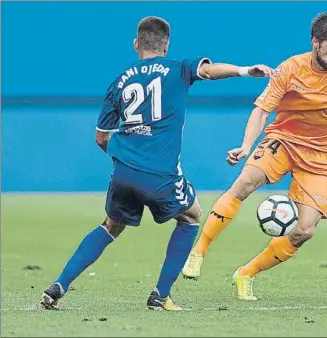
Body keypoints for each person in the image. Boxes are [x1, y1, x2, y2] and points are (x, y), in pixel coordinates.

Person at [40, 16, 275, 311]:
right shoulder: (177, 69)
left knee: (111, 225)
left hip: (123, 170)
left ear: (137, 44)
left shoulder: (120, 81)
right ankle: (160, 295)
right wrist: (244, 70)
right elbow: (209, 71)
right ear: (166, 46)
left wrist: (126, 158)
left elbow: (101, 138)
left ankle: (58, 285)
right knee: (191, 216)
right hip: (160, 171)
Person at [182, 12, 327, 300]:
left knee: (305, 230)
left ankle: (246, 273)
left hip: (322, 156)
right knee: (246, 181)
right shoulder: (290, 69)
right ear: (315, 43)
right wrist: (247, 145)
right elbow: (262, 109)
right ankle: (198, 251)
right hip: (284, 141)